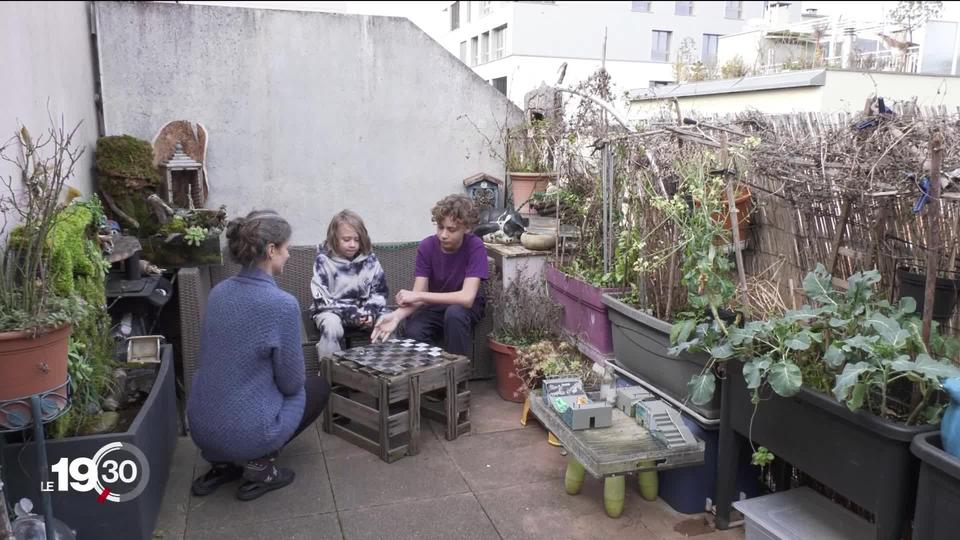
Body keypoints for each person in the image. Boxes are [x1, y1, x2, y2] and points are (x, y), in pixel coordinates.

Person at [187, 210, 330, 501]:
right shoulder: (282, 305)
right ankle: (260, 466)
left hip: (200, 428)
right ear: (271, 249)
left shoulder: (217, 293)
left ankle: (221, 464)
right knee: (316, 386)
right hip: (249, 433)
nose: (289, 255)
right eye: (287, 247)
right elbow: (291, 384)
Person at [371, 194, 488, 356]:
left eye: (451, 229)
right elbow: (418, 297)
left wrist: (418, 295)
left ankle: (458, 373)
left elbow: (467, 298)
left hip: (465, 308)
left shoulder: (475, 246)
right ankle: (435, 371)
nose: (443, 235)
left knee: (454, 314)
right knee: (414, 329)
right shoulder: (427, 246)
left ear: (466, 228)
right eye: (440, 227)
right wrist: (396, 316)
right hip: (435, 307)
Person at [310, 209, 389, 356]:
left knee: (387, 320)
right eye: (346, 240)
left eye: (357, 239)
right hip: (332, 312)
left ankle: (383, 365)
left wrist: (370, 311)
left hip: (364, 311)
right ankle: (331, 368)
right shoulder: (323, 260)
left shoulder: (370, 260)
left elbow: (380, 292)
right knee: (331, 326)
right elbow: (322, 300)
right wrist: (352, 314)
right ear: (334, 238)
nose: (353, 244)